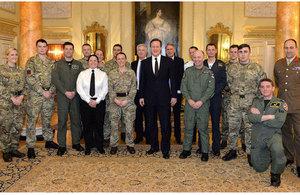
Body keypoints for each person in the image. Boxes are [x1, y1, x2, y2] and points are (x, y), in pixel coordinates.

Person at [222, 44, 266, 165]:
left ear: (249, 53)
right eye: (240, 52)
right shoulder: (232, 68)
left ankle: (250, 154)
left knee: (250, 128)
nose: (242, 54)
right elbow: (229, 83)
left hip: (250, 101)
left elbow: (262, 86)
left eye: (245, 52)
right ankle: (232, 150)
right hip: (235, 100)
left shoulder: (256, 68)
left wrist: (258, 102)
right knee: (233, 126)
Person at [139, 38, 177, 159]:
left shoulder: (168, 61)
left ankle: (165, 149)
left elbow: (174, 80)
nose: (155, 49)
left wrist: (174, 96)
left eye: (157, 46)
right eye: (153, 47)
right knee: (151, 124)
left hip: (164, 98)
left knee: (165, 125)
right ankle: (154, 146)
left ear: (161, 48)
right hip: (149, 99)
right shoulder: (145, 63)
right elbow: (142, 81)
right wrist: (141, 96)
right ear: (150, 48)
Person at [249, 78, 287, 187]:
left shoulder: (280, 103)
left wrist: (260, 118)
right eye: (262, 87)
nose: (265, 89)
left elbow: (279, 122)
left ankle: (275, 174)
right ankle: (268, 155)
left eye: (268, 86)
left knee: (278, 149)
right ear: (260, 89)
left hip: (273, 134)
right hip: (258, 135)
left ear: (273, 88)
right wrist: (269, 116)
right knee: (259, 168)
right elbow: (251, 117)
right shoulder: (256, 101)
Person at [25, 39, 58, 159]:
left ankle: (48, 141)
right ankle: (30, 146)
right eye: (40, 46)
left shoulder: (52, 62)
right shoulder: (31, 61)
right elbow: (30, 78)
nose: (42, 48)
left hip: (49, 95)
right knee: (32, 121)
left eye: (44, 46)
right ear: (36, 48)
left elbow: (56, 78)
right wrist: (42, 91)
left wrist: (50, 91)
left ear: (47, 48)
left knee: (47, 119)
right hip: (35, 95)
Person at [179, 50, 215, 161]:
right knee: (188, 127)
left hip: (203, 104)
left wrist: (201, 101)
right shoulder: (188, 71)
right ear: (192, 58)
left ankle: (205, 152)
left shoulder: (209, 72)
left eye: (199, 57)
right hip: (189, 104)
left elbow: (211, 89)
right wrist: (189, 100)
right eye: (195, 57)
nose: (197, 59)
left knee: (203, 128)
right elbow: (183, 87)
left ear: (203, 58)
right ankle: (186, 150)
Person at [51, 42, 84, 156]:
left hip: (75, 96)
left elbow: (81, 80)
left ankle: (76, 143)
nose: (69, 51)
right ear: (63, 51)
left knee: (76, 120)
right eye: (67, 49)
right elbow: (56, 80)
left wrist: (74, 91)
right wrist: (65, 91)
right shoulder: (57, 64)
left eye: (71, 49)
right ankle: (62, 145)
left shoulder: (78, 64)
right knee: (62, 121)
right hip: (62, 96)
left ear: (73, 50)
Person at [274, 38, 300, 177]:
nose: (288, 50)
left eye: (291, 47)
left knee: (299, 135)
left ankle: (299, 164)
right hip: (282, 106)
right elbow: (278, 82)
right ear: (283, 49)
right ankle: (289, 157)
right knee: (286, 134)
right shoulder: (279, 64)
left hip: (297, 106)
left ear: (296, 49)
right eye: (286, 47)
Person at [76, 55, 108, 155]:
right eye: (91, 60)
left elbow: (105, 89)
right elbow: (79, 88)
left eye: (95, 60)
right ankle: (88, 147)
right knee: (87, 125)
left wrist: (97, 101)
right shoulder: (82, 74)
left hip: (99, 103)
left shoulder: (103, 74)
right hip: (85, 102)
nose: (93, 62)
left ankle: (99, 146)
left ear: (98, 62)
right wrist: (88, 100)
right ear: (88, 62)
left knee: (99, 124)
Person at [0, 48, 27, 162]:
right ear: (7, 56)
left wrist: (21, 97)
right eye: (12, 55)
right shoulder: (1, 70)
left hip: (19, 102)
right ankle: (6, 151)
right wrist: (11, 98)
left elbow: (26, 86)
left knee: (17, 126)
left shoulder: (21, 70)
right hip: (6, 102)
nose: (14, 56)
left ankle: (14, 148)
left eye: (16, 55)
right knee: (6, 127)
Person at [108, 52, 137, 155]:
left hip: (128, 101)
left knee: (129, 124)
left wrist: (127, 100)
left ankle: (130, 145)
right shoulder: (111, 73)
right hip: (115, 100)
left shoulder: (131, 72)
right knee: (114, 124)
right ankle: (114, 145)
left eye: (122, 59)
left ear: (126, 60)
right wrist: (114, 99)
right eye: (118, 59)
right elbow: (110, 88)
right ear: (116, 60)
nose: (120, 61)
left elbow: (134, 88)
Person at [221, 45, 246, 150]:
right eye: (231, 52)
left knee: (243, 120)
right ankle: (224, 139)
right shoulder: (224, 66)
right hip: (227, 95)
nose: (233, 54)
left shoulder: (244, 65)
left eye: (235, 52)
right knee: (226, 119)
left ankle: (244, 141)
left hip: (241, 96)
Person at [203, 43, 226, 156]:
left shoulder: (221, 65)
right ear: (206, 51)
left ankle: (216, 147)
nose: (211, 51)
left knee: (216, 124)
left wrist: (213, 92)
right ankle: (203, 146)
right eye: (209, 50)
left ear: (216, 51)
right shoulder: (202, 63)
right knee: (203, 124)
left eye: (213, 50)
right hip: (203, 99)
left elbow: (223, 81)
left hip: (216, 98)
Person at [104, 44, 128, 144]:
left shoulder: (128, 64)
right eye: (115, 50)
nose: (116, 51)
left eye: (118, 50)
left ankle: (123, 134)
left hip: (124, 95)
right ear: (112, 51)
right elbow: (106, 80)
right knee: (110, 118)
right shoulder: (108, 64)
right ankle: (107, 136)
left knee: (124, 117)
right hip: (112, 96)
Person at [165, 43, 184, 144]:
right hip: (164, 93)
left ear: (175, 50)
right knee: (166, 116)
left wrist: (176, 92)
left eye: (171, 49)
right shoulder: (162, 61)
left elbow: (180, 76)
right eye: (167, 49)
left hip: (176, 92)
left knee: (177, 115)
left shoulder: (179, 61)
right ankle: (167, 136)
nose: (169, 51)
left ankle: (178, 136)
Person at [131, 44, 149, 144]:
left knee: (148, 116)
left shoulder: (150, 62)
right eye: (139, 50)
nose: (141, 52)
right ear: (137, 52)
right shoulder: (133, 64)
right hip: (136, 93)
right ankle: (139, 136)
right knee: (137, 116)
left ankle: (148, 135)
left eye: (143, 50)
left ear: (146, 52)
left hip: (147, 93)